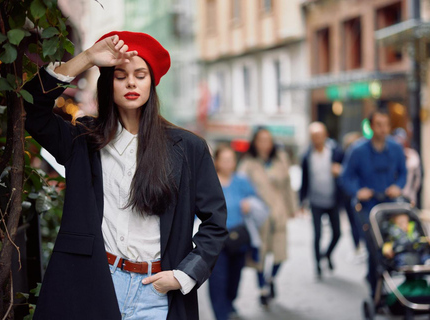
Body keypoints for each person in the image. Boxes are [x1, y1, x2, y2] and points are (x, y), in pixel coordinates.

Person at [23, 31, 227, 320]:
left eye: (140, 75)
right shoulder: (83, 140)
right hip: (94, 284)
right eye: (121, 76)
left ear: (151, 84)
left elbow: (215, 222)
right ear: (109, 84)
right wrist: (88, 58)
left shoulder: (188, 148)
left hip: (157, 293)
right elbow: (32, 109)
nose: (131, 82)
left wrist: (183, 276)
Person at [340, 108, 407, 297]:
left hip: (390, 205)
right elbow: (346, 177)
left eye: (386, 125)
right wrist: (357, 191)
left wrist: (398, 186)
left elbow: (403, 173)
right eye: (379, 125)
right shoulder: (357, 150)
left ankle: (383, 280)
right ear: (370, 126)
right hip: (366, 208)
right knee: (373, 246)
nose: (383, 129)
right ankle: (375, 287)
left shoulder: (395, 148)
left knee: (392, 244)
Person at [238, 127, 298, 307]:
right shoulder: (248, 163)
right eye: (261, 140)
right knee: (260, 254)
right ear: (254, 142)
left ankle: (271, 278)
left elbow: (288, 186)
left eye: (268, 140)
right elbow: (240, 187)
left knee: (280, 253)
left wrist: (292, 208)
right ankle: (262, 288)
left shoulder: (281, 159)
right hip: (259, 216)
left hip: (279, 212)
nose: (265, 144)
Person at [209, 144, 264, 320]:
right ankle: (221, 314)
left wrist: (250, 204)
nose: (227, 163)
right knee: (217, 281)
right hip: (216, 239)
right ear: (216, 162)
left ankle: (229, 303)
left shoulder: (241, 180)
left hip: (239, 238)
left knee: (234, 279)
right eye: (224, 160)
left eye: (231, 160)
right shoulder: (209, 181)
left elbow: (257, 201)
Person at [299, 122, 344, 278]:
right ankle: (317, 265)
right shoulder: (306, 156)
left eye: (319, 135)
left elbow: (346, 172)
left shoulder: (336, 152)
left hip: (332, 200)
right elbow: (304, 180)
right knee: (317, 235)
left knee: (337, 233)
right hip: (316, 201)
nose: (316, 139)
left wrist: (340, 171)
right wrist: (301, 201)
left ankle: (327, 254)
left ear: (325, 135)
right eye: (313, 136)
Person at [341, 132, 365, 260]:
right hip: (351, 195)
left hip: (361, 196)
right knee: (354, 222)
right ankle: (357, 246)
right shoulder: (346, 158)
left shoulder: (362, 157)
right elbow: (344, 178)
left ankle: (363, 246)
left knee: (361, 223)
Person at [392, 127, 422, 206]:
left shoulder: (412, 155)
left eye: (401, 139)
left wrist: (413, 192)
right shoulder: (390, 156)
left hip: (408, 195)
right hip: (393, 196)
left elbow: (417, 177)